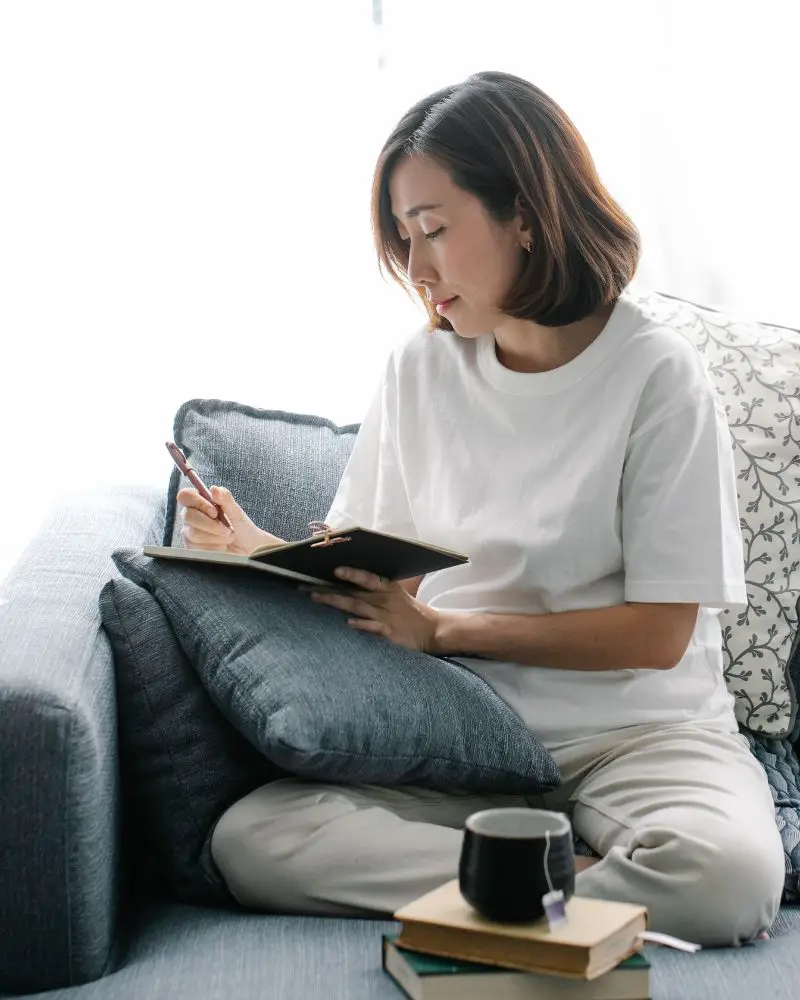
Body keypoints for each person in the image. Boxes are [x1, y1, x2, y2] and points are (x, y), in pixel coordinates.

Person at [177, 71, 784, 946]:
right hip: (467, 733)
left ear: (527, 215)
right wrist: (256, 548)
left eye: (432, 231)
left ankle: (509, 886)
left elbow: (655, 634)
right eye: (403, 238)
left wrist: (449, 632)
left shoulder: (657, 375)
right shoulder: (418, 372)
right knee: (257, 838)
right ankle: (558, 885)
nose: (416, 270)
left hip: (641, 736)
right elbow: (377, 574)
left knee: (729, 879)